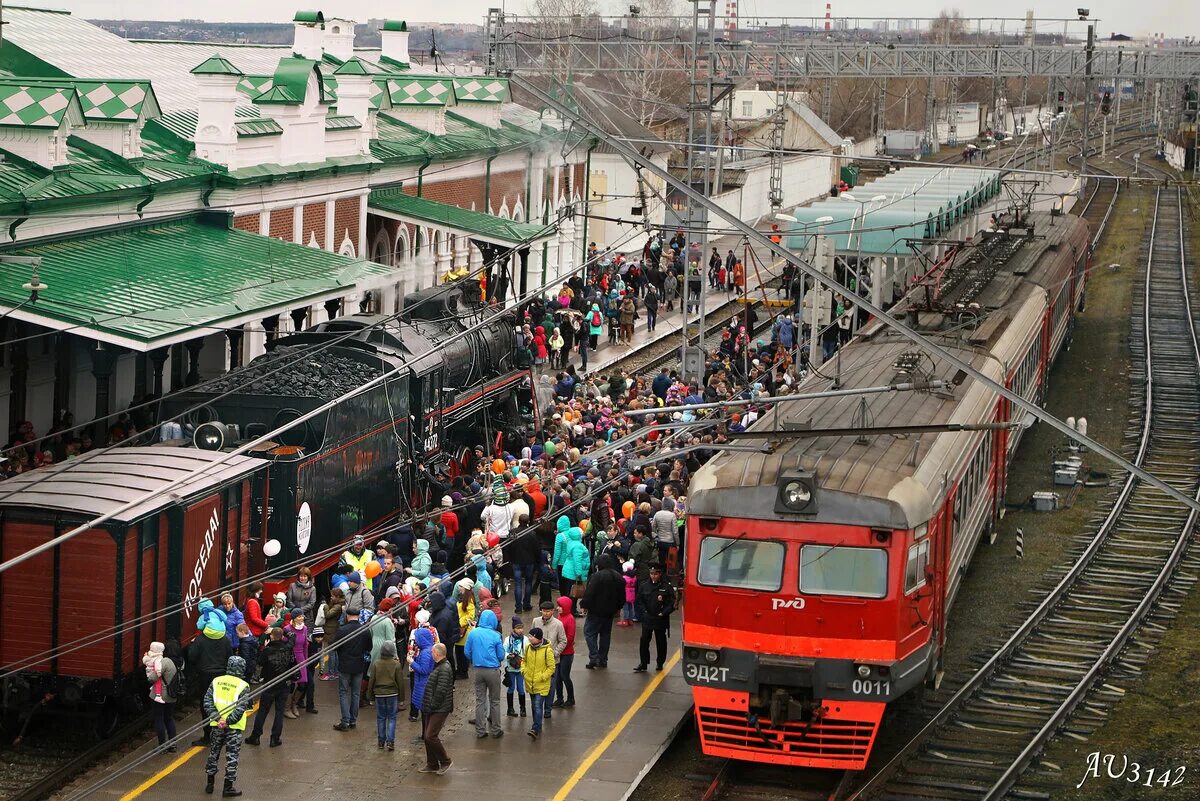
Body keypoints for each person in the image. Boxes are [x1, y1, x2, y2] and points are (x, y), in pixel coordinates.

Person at [202, 656, 251, 797]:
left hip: (217, 725)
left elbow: (207, 701)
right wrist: (228, 721)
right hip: (234, 727)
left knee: (214, 753)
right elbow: (241, 708)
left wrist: (218, 718)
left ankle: (210, 784)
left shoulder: (216, 681)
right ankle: (227, 787)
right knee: (232, 756)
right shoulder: (243, 685)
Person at [245, 627, 293, 748]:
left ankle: (255, 736)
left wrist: (265, 647)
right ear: (282, 637)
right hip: (283, 684)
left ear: (271, 636)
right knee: (279, 711)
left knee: (262, 711)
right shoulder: (287, 648)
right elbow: (293, 637)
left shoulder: (268, 650)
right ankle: (275, 738)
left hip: (269, 683)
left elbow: (260, 663)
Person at [188, 619, 233, 746]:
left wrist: (192, 645)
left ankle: (207, 736)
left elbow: (192, 657)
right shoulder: (225, 639)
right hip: (221, 675)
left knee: (206, 705)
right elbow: (230, 656)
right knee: (221, 705)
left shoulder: (200, 639)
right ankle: (221, 734)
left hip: (205, 676)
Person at [464, 609, 505, 738]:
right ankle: (496, 730)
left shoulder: (473, 633)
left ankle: (481, 731)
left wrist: (474, 659)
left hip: (478, 670)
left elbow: (467, 652)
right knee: (495, 701)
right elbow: (501, 655)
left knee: (480, 700)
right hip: (492, 670)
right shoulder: (496, 635)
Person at [580, 554, 625, 669]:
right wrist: (617, 608)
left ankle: (593, 657)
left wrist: (584, 605)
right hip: (609, 612)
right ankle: (603, 659)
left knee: (590, 633)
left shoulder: (596, 577)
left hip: (595, 611)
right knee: (605, 635)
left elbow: (589, 593)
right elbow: (622, 597)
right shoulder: (619, 577)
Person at [419, 643, 454, 775]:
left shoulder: (444, 668)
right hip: (432, 707)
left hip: (439, 708)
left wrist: (432, 705)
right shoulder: (440, 666)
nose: (431, 654)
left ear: (437, 653)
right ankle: (432, 764)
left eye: (433, 652)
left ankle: (445, 761)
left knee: (430, 736)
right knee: (428, 736)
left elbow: (440, 691)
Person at [634, 564, 676, 673]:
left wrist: (664, 613)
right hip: (648, 618)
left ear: (660, 574)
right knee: (644, 640)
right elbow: (639, 600)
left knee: (661, 641)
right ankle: (643, 663)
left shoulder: (666, 587)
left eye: (656, 574)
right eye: (651, 574)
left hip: (660, 619)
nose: (653, 576)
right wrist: (644, 611)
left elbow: (672, 603)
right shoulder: (644, 586)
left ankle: (660, 662)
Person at [333, 614, 369, 732]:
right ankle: (353, 720)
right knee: (355, 693)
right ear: (358, 616)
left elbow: (334, 646)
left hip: (344, 665)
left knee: (343, 692)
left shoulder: (342, 630)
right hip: (358, 665)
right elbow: (369, 647)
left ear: (348, 616)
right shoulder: (364, 630)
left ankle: (345, 721)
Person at [366, 640, 405, 751]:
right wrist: (401, 699)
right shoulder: (396, 664)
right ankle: (391, 742)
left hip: (379, 694)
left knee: (381, 718)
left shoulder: (376, 664)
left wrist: (370, 696)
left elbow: (371, 681)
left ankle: (381, 741)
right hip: (393, 694)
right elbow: (400, 682)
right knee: (392, 718)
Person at [532, 601, 566, 720]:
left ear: (552, 611)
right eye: (544, 611)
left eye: (548, 611)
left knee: (551, 687)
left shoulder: (558, 624)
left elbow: (563, 641)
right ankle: (538, 708)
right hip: (537, 660)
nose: (546, 613)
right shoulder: (536, 621)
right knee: (538, 684)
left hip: (552, 662)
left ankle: (548, 709)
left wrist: (555, 653)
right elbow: (532, 637)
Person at [143, 641, 179, 753]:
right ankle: (173, 744)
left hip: (160, 696)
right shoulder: (171, 662)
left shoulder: (161, 662)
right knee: (169, 718)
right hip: (171, 695)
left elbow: (152, 678)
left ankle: (162, 746)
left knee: (159, 719)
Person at [521, 627, 555, 740]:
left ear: (537, 638)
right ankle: (538, 725)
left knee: (537, 705)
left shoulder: (547, 650)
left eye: (531, 636)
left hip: (541, 684)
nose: (529, 638)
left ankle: (535, 728)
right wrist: (524, 671)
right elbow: (524, 660)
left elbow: (551, 668)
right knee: (534, 706)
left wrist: (542, 677)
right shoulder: (528, 648)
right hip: (530, 683)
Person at [285, 610, 314, 716]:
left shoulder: (305, 628)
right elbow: (285, 645)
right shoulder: (287, 629)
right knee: (291, 684)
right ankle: (287, 708)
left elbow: (305, 645)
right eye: (299, 616)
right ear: (294, 618)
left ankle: (294, 704)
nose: (302, 618)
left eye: (302, 616)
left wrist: (306, 660)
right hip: (291, 659)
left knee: (302, 684)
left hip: (301, 657)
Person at [409, 627, 436, 731]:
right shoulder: (429, 649)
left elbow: (424, 670)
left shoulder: (425, 652)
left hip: (423, 685)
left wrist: (411, 662)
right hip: (424, 684)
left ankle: (425, 735)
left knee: (425, 712)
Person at [503, 616, 527, 718]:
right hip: (510, 668)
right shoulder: (508, 640)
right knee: (511, 688)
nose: (520, 630)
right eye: (518, 628)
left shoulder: (525, 640)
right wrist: (508, 656)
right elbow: (503, 652)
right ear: (513, 629)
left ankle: (523, 708)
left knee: (521, 689)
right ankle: (510, 708)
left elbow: (528, 653)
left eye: (521, 627)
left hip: (521, 668)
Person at [651, 498, 678, 568]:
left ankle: (661, 574)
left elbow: (653, 528)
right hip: (670, 542)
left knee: (661, 561)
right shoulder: (672, 515)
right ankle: (668, 574)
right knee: (670, 562)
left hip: (660, 541)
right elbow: (675, 531)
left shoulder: (657, 514)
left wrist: (656, 536)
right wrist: (677, 543)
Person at [621, 561, 638, 626]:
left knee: (625, 607)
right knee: (631, 606)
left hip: (625, 594)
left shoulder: (624, 578)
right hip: (632, 594)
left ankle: (625, 620)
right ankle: (630, 619)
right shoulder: (634, 577)